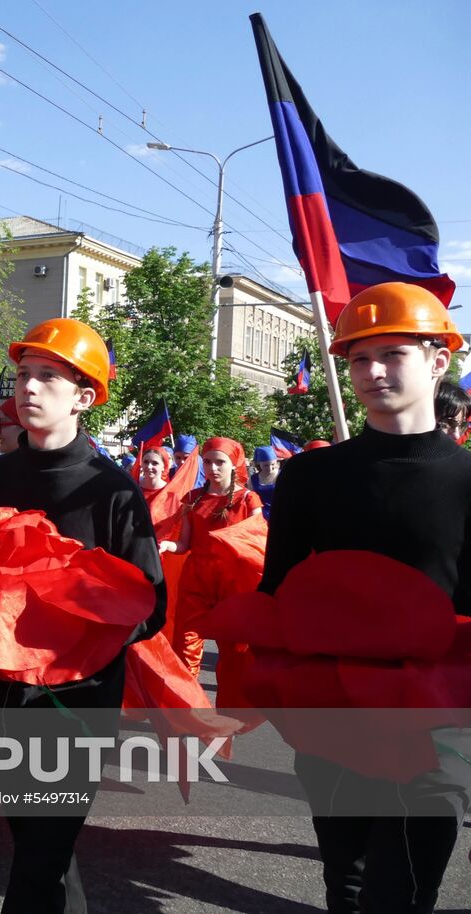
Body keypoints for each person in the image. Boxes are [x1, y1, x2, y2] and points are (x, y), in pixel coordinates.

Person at [259, 282, 471, 913]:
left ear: (438, 360)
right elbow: (277, 592)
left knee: (403, 892)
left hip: (437, 725)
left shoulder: (466, 482)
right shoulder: (311, 476)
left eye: (392, 354)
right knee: (346, 887)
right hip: (334, 715)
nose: (372, 371)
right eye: (357, 357)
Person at [0, 318, 165, 913]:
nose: (28, 387)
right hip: (0, 691)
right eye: (24, 374)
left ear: (83, 397)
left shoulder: (111, 491)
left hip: (75, 700)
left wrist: (69, 628)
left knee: (42, 851)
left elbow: (150, 605)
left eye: (48, 376)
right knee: (35, 841)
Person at [164, 437, 263, 677]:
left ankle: (235, 714)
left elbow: (259, 545)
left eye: (220, 462)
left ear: (234, 464)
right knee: (186, 646)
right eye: (207, 462)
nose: (213, 468)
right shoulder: (192, 498)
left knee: (236, 651)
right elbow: (184, 544)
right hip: (196, 580)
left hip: (233, 583)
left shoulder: (249, 499)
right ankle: (188, 712)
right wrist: (167, 544)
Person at [249, 445, 281, 520]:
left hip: (280, 515)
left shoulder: (282, 475)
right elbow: (250, 500)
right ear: (259, 464)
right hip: (260, 518)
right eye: (266, 465)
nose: (270, 468)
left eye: (273, 464)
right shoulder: (253, 479)